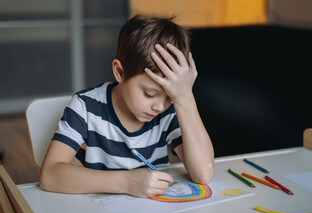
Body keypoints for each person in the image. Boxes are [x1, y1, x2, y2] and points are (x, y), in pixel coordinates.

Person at [40, 15, 214, 197]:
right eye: (150, 94)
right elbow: (50, 175)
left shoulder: (170, 110)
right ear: (120, 72)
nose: (160, 107)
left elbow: (203, 174)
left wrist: (185, 98)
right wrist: (126, 182)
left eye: (169, 96)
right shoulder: (86, 106)